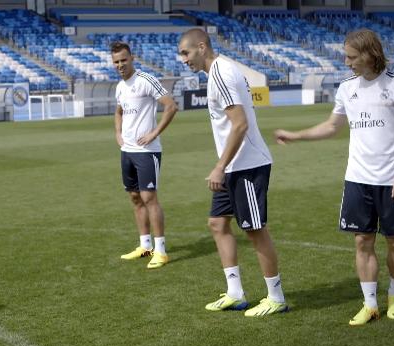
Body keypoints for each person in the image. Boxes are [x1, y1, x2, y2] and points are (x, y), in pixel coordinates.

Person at [275, 29, 394, 325]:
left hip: (392, 179)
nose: (346, 62)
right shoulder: (346, 88)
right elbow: (332, 126)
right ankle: (370, 304)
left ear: (370, 54)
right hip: (357, 179)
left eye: (351, 57)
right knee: (362, 242)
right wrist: (296, 135)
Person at [178, 29, 288, 316]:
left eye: (186, 53)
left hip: (247, 165)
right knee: (217, 224)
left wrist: (219, 167)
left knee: (254, 230)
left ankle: (276, 297)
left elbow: (239, 124)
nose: (184, 60)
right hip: (233, 166)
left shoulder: (221, 73)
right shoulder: (220, 71)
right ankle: (235, 293)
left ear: (201, 47)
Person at [111, 41, 178, 269]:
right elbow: (119, 111)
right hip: (127, 151)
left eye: (123, 60)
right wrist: (118, 133)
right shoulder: (120, 86)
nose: (120, 65)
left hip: (147, 152)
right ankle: (145, 245)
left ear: (132, 59)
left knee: (150, 198)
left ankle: (160, 251)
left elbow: (171, 106)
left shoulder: (145, 80)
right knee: (135, 198)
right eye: (116, 62)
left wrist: (154, 133)